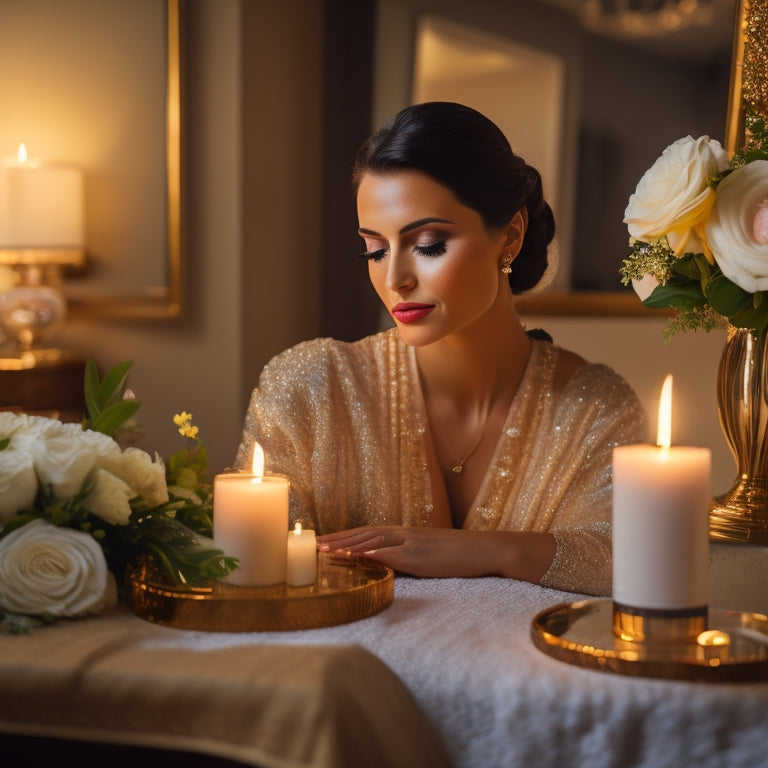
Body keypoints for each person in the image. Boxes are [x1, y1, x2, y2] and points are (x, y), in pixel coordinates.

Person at [234, 101, 648, 596]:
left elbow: (627, 559)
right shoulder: (307, 390)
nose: (394, 280)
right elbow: (250, 562)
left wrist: (480, 549)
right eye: (375, 249)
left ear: (509, 237)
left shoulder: (597, 411)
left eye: (428, 244)